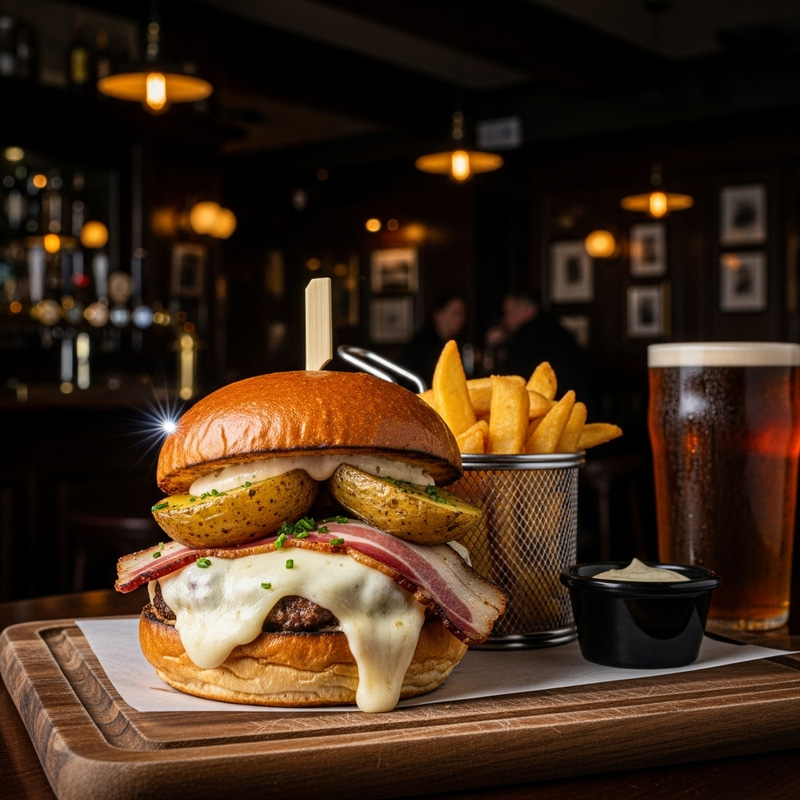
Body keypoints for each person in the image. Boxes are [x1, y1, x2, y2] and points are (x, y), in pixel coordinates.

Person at [484, 288, 599, 419]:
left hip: (565, 415)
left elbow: (507, 381)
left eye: (508, 313)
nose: (504, 320)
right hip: (586, 409)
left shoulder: (527, 335)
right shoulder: (553, 328)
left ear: (527, 311)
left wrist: (493, 347)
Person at [402, 292, 468, 387]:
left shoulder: (458, 342)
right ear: (438, 315)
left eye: (462, 313)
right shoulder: (423, 345)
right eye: (455, 313)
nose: (460, 318)